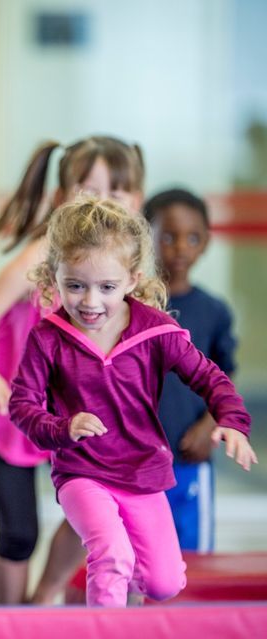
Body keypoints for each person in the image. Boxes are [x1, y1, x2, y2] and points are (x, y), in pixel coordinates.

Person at [9, 196, 255, 608]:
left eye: (106, 287)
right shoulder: (48, 338)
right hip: (82, 473)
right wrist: (61, 429)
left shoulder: (156, 330)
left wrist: (231, 420)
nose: (90, 302)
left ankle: (131, 612)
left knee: (162, 582)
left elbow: (209, 375)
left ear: (132, 280)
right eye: (75, 285)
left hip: (143, 474)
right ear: (55, 277)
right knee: (112, 557)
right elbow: (22, 405)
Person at [0, 135, 145, 604]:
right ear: (61, 197)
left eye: (115, 193)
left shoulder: (125, 269)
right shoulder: (39, 260)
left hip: (77, 418)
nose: (101, 203)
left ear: (136, 200)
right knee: (19, 534)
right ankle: (12, 622)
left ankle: (41, 605)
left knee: (95, 512)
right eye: (87, 190)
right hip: (16, 413)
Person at [145, 188, 237, 553]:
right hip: (138, 464)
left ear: (206, 243)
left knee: (192, 558)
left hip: (190, 459)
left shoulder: (214, 312)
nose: (180, 247)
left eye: (192, 237)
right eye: (168, 236)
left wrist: (209, 427)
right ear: (145, 236)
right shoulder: (130, 306)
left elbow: (225, 382)